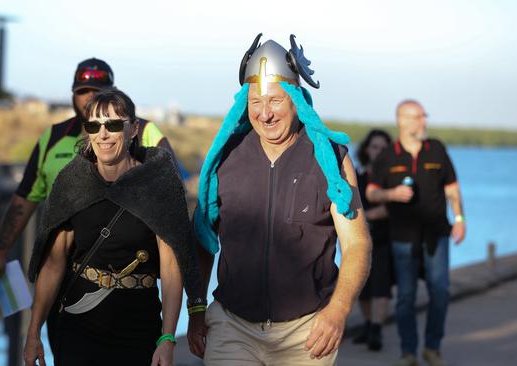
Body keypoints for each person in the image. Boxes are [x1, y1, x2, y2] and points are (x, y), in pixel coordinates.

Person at [187, 33, 372, 366]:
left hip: (307, 331)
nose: (265, 113)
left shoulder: (331, 161)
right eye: (256, 102)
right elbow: (202, 241)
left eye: (275, 100)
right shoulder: (225, 160)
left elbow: (357, 244)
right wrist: (197, 310)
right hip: (233, 327)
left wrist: (338, 311)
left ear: (295, 100)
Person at [23, 89, 203, 366]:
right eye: (94, 126)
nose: (103, 134)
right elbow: (53, 263)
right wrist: (33, 331)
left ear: (133, 130)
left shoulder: (157, 183)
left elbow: (170, 268)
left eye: (114, 125)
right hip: (78, 323)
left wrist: (167, 339)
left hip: (138, 325)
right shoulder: (72, 181)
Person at [0, 57, 176, 276]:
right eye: (83, 91)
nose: (90, 97)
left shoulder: (144, 132)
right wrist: (0, 254)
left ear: (113, 92)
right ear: (73, 95)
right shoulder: (53, 136)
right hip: (58, 268)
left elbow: (173, 200)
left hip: (126, 274)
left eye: (98, 91)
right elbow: (23, 200)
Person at [366, 100, 465, 366]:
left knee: (440, 292)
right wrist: (392, 194)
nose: (424, 122)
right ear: (402, 121)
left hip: (437, 234)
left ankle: (432, 347)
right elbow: (371, 192)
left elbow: (452, 189)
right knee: (406, 296)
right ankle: (408, 352)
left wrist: (459, 218)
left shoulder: (437, 150)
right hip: (403, 236)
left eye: (424, 117)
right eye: (418, 117)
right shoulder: (388, 156)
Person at [351, 129, 393, 351]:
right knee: (361, 284)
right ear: (367, 148)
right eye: (374, 146)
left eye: (383, 148)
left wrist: (367, 216)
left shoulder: (391, 176)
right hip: (359, 238)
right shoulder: (357, 175)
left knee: (381, 284)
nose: (378, 151)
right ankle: (368, 325)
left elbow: (395, 206)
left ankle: (376, 329)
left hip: (384, 237)